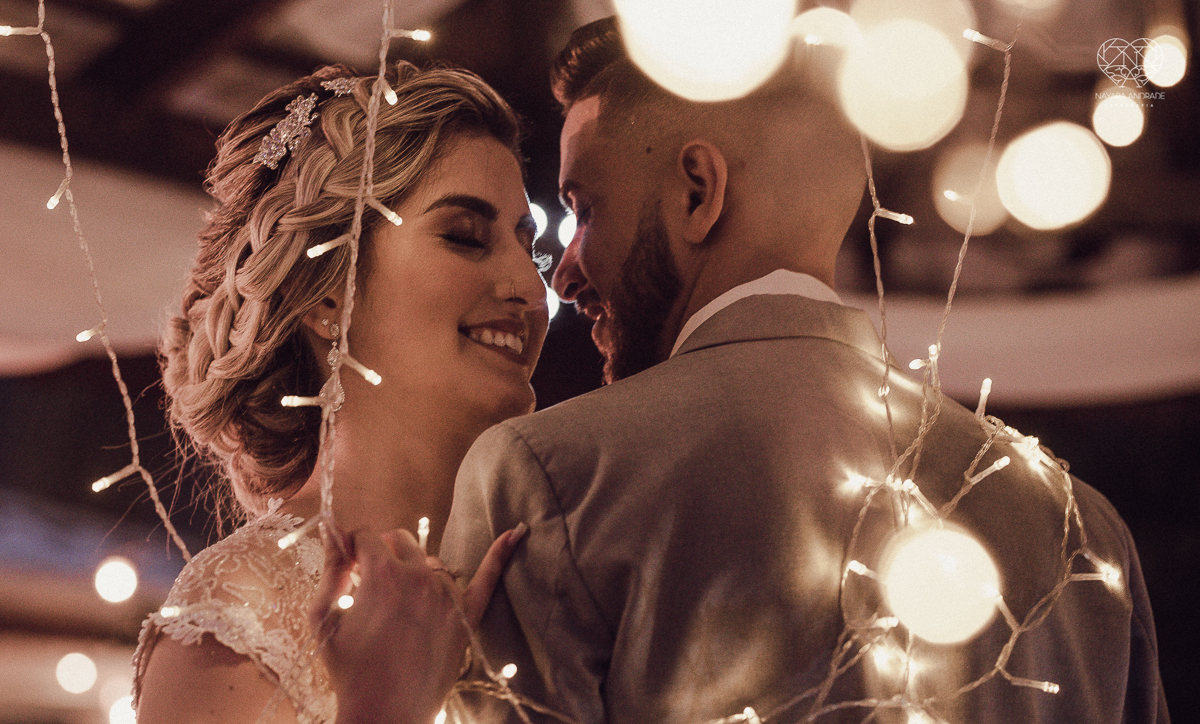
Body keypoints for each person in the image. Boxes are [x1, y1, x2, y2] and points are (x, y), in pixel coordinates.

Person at [328, 16, 1169, 724]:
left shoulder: (548, 479)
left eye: (585, 212)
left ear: (698, 190)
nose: (565, 272)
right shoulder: (1083, 531)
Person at [132, 60, 549, 724]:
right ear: (331, 289)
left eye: (531, 249)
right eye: (466, 238)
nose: (529, 290)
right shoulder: (238, 615)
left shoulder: (549, 580)